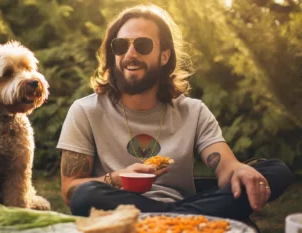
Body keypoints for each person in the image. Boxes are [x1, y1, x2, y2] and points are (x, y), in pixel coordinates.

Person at [56, 3, 292, 222]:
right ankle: (192, 222)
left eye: (143, 45)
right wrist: (118, 178)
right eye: (121, 45)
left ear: (165, 56)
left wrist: (238, 169)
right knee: (86, 195)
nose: (130, 54)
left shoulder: (193, 111)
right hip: (123, 204)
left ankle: (169, 222)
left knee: (275, 171)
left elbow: (224, 166)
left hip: (174, 203)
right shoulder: (85, 111)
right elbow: (70, 192)